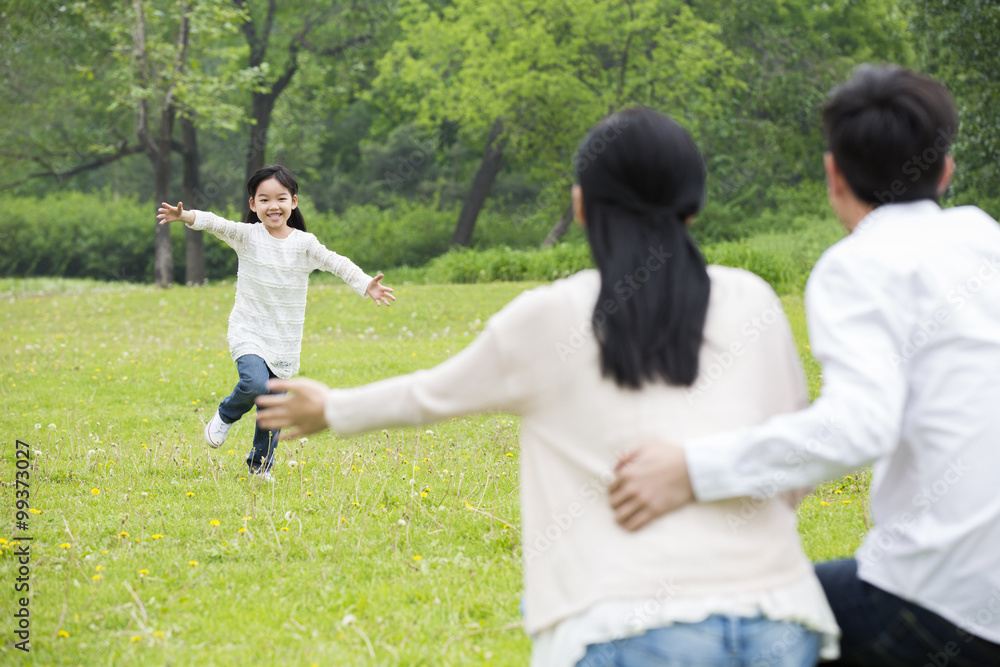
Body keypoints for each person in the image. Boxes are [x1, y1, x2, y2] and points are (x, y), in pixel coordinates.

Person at [256, 108, 839, 666]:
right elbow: (795, 463)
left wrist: (332, 408)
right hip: (781, 621)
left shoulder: (551, 316)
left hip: (626, 629)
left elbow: (431, 395)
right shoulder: (754, 299)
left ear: (582, 205)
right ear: (694, 202)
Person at [608, 65, 1000, 665]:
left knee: (744, 621)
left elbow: (859, 426)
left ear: (832, 174)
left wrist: (692, 468)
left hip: (943, 601)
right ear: (946, 170)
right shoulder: (986, 241)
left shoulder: (858, 264)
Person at [156, 165, 394, 482]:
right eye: (264, 199)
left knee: (273, 407)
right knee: (255, 384)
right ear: (253, 204)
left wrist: (366, 284)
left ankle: (260, 467)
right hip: (249, 330)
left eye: (280, 198)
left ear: (293, 202)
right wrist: (185, 217)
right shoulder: (247, 236)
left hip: (284, 338)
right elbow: (216, 224)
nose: (273, 206)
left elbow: (337, 263)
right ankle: (227, 413)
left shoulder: (305, 244)